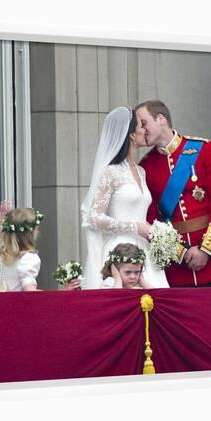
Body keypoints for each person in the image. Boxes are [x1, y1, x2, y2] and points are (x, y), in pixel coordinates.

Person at [136, 100, 211, 287]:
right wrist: (181, 253)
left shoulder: (203, 149)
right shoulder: (146, 167)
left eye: (144, 122)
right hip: (178, 265)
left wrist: (205, 249)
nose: (141, 130)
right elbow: (152, 218)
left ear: (161, 119)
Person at [80, 106, 170, 289]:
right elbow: (94, 217)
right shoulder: (110, 172)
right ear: (131, 135)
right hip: (120, 249)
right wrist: (135, 227)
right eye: (141, 126)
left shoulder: (142, 171)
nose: (145, 130)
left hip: (145, 249)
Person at [0, 201, 80, 291]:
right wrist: (61, 293)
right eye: (36, 229)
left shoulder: (2, 250)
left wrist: (1, 223)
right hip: (17, 306)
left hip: (1, 304)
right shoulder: (28, 258)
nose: (37, 232)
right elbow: (30, 292)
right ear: (30, 234)